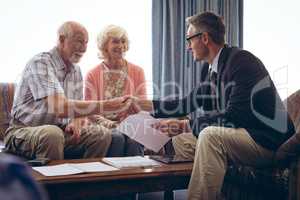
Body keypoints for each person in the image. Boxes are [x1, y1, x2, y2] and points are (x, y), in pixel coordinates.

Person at [129, 12, 295, 199]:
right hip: (241, 135)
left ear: (205, 38)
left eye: (189, 39)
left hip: (266, 141)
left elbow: (235, 115)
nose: (188, 47)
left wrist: (184, 125)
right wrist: (140, 104)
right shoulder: (210, 70)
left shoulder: (242, 61)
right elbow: (187, 103)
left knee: (209, 136)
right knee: (181, 140)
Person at [4, 21, 131, 160]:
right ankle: (57, 181)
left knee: (101, 134)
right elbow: (58, 107)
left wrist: (76, 121)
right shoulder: (41, 63)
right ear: (61, 39)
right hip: (23, 130)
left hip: (58, 130)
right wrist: (108, 105)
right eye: (79, 41)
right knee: (52, 134)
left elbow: (80, 110)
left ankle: (87, 180)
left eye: (86, 43)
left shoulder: (76, 70)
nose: (83, 48)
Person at [84, 25, 146, 156]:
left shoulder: (138, 71)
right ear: (104, 45)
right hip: (102, 126)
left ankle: (136, 176)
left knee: (134, 140)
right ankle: (112, 176)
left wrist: (128, 124)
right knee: (116, 138)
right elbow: (90, 110)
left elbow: (143, 106)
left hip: (130, 125)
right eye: (115, 41)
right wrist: (111, 124)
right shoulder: (92, 74)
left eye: (123, 41)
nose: (121, 45)